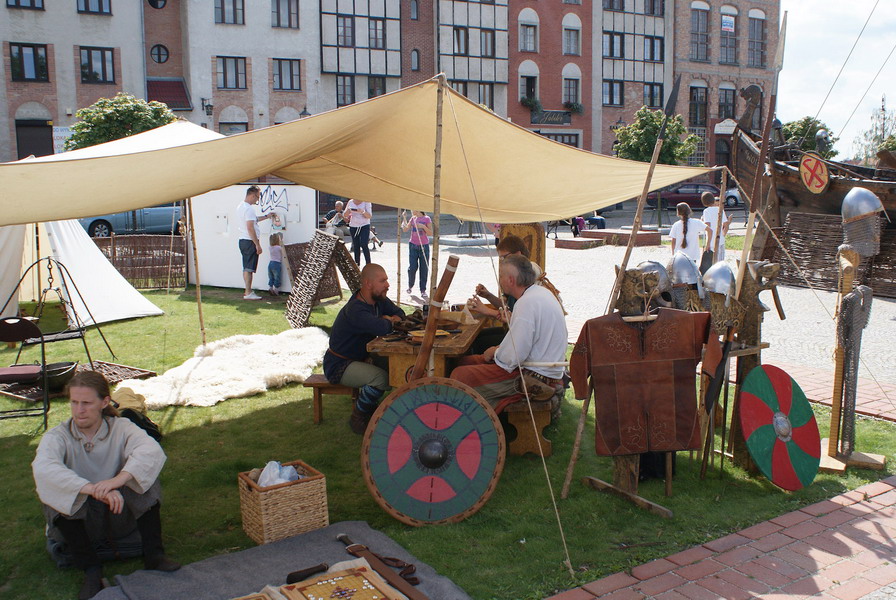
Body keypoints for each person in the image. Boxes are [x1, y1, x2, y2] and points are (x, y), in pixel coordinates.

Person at [32, 372, 179, 600]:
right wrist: (91, 489)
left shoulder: (121, 427)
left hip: (119, 516)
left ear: (104, 402)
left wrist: (117, 481)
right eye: (74, 402)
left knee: (144, 480)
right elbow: (45, 468)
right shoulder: (57, 437)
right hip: (81, 523)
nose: (79, 410)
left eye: (87, 403)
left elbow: (150, 451)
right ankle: (91, 570)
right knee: (56, 491)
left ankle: (155, 556)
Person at [451, 254, 567, 412]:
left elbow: (513, 357)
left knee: (460, 375)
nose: (500, 280)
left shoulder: (526, 303)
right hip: (540, 368)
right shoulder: (539, 294)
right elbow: (524, 341)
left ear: (511, 280)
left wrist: (495, 352)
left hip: (535, 376)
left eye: (501, 276)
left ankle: (468, 423)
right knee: (465, 361)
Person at [323, 263, 405, 434]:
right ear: (368, 283)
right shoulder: (356, 310)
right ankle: (359, 417)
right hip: (340, 364)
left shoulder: (378, 300)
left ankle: (395, 411)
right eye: (383, 281)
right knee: (380, 378)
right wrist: (388, 321)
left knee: (399, 366)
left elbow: (401, 313)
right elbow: (383, 328)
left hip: (359, 358)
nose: (387, 285)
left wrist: (388, 319)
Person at [236, 185, 273, 300]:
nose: (257, 200)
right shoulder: (249, 208)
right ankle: (248, 292)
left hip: (243, 240)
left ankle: (248, 291)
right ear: (252, 195)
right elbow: (250, 228)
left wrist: (267, 217)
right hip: (249, 241)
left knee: (247, 266)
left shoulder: (241, 206)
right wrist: (257, 244)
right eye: (257, 197)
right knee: (249, 268)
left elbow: (254, 220)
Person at [401, 210, 432, 298]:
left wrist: (423, 226)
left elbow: (430, 233)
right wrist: (404, 218)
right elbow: (405, 229)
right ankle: (410, 286)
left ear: (418, 209)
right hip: (413, 245)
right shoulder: (413, 219)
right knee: (412, 267)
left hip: (424, 246)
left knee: (424, 268)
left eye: (412, 209)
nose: (411, 211)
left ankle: (423, 290)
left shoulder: (427, 219)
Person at [701, 192, 733, 261]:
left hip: (712, 241)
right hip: (721, 239)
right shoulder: (720, 210)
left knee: (712, 261)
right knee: (720, 261)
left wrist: (708, 243)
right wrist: (723, 234)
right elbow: (726, 225)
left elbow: (708, 226)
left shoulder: (706, 211)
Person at [343, 198, 373, 265]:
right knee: (356, 245)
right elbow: (345, 215)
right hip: (353, 226)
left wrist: (363, 212)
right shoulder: (350, 202)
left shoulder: (366, 202)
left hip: (364, 225)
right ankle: (357, 264)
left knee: (364, 244)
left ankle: (368, 264)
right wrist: (348, 211)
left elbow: (369, 216)